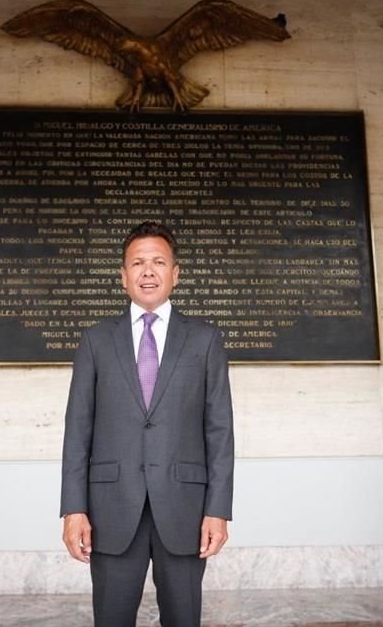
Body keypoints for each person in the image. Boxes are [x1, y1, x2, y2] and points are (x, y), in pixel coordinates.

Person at [60, 221, 235, 627]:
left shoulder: (206, 340)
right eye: (137, 263)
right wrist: (74, 508)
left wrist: (218, 511)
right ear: (123, 277)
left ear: (176, 273)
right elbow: (78, 430)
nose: (148, 271)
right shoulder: (95, 340)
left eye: (159, 261)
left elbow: (220, 430)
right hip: (110, 510)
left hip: (186, 510)